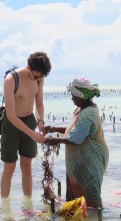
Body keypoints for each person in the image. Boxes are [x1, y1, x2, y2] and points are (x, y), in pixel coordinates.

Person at [44, 78, 109, 208]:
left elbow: (75, 139)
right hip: (82, 159)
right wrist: (54, 128)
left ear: (81, 96)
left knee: (91, 198)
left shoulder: (88, 113)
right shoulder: (83, 109)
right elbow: (74, 130)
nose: (72, 98)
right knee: (78, 198)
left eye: (74, 95)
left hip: (90, 158)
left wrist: (51, 140)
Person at [0, 52, 51, 199]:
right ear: (28, 68)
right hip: (11, 123)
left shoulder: (39, 79)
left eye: (41, 77)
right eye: (36, 76)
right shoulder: (11, 80)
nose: (38, 79)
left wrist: (40, 121)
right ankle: (5, 207)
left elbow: (39, 103)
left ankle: (28, 205)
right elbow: (10, 114)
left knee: (27, 166)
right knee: (10, 167)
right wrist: (32, 134)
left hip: (29, 120)